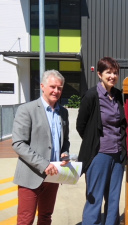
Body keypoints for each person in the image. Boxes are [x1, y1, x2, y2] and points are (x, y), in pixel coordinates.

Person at [12, 70, 70, 225]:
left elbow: (65, 141)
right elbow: (18, 143)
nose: (56, 91)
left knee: (46, 217)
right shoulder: (27, 110)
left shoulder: (63, 113)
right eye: (52, 87)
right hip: (30, 175)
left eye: (59, 88)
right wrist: (44, 164)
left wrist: (65, 153)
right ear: (42, 86)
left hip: (53, 176)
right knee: (26, 219)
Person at [77, 57, 128, 225]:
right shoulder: (91, 95)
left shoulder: (119, 95)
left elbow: (122, 124)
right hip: (98, 154)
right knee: (95, 197)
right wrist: (94, 142)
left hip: (117, 155)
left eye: (115, 73)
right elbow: (81, 125)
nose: (112, 76)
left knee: (113, 199)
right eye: (108, 72)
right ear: (99, 74)